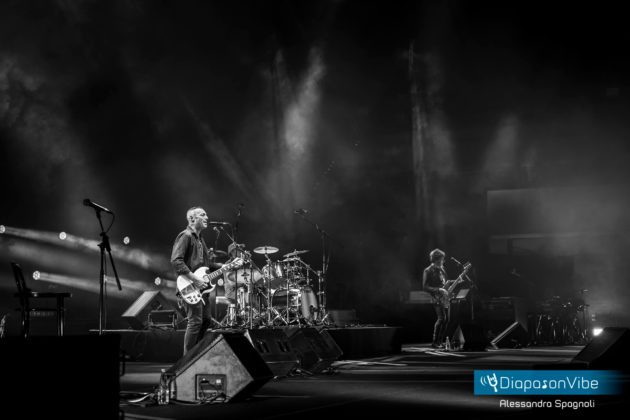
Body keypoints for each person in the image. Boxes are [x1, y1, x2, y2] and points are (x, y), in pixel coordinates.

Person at [171, 206, 214, 355]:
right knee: (195, 321)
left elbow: (207, 266)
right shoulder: (186, 236)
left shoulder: (200, 240)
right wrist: (195, 279)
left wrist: (226, 266)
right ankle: (187, 360)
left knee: (206, 320)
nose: (207, 217)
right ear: (192, 219)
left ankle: (196, 354)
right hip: (189, 285)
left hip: (201, 289)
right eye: (203, 215)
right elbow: (176, 261)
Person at [422, 248, 449, 349]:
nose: (443, 261)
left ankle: (440, 341)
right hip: (436, 297)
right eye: (442, 259)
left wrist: (453, 282)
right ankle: (435, 342)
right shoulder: (428, 270)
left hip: (444, 297)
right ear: (436, 259)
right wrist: (438, 289)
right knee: (441, 318)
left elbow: (444, 282)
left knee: (446, 320)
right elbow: (425, 286)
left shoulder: (442, 269)